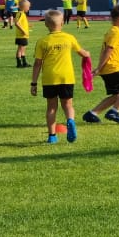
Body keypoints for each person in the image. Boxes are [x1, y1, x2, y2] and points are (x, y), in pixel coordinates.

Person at [30, 9, 91, 146]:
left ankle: (52, 136)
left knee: (51, 107)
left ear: (46, 24)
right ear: (62, 23)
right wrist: (87, 54)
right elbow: (82, 53)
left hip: (50, 78)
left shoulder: (42, 41)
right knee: (68, 104)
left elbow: (37, 63)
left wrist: (33, 83)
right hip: (66, 77)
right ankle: (70, 121)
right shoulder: (69, 38)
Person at [12, 0, 32, 68]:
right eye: (28, 7)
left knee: (23, 48)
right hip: (21, 35)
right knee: (20, 49)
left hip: (24, 36)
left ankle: (24, 62)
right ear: (24, 7)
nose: (29, 8)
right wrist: (23, 31)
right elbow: (17, 23)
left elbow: (21, 23)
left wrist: (28, 25)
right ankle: (19, 63)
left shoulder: (23, 14)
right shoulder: (20, 13)